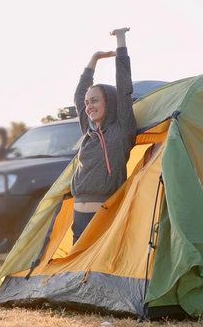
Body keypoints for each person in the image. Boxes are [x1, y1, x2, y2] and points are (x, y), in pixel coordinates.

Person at [71, 27, 137, 244]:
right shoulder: (87, 131)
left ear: (109, 102)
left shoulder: (121, 129)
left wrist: (121, 40)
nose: (89, 106)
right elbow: (80, 94)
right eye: (88, 103)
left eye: (95, 101)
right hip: (78, 217)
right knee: (78, 273)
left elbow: (124, 86)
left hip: (106, 215)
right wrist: (94, 60)